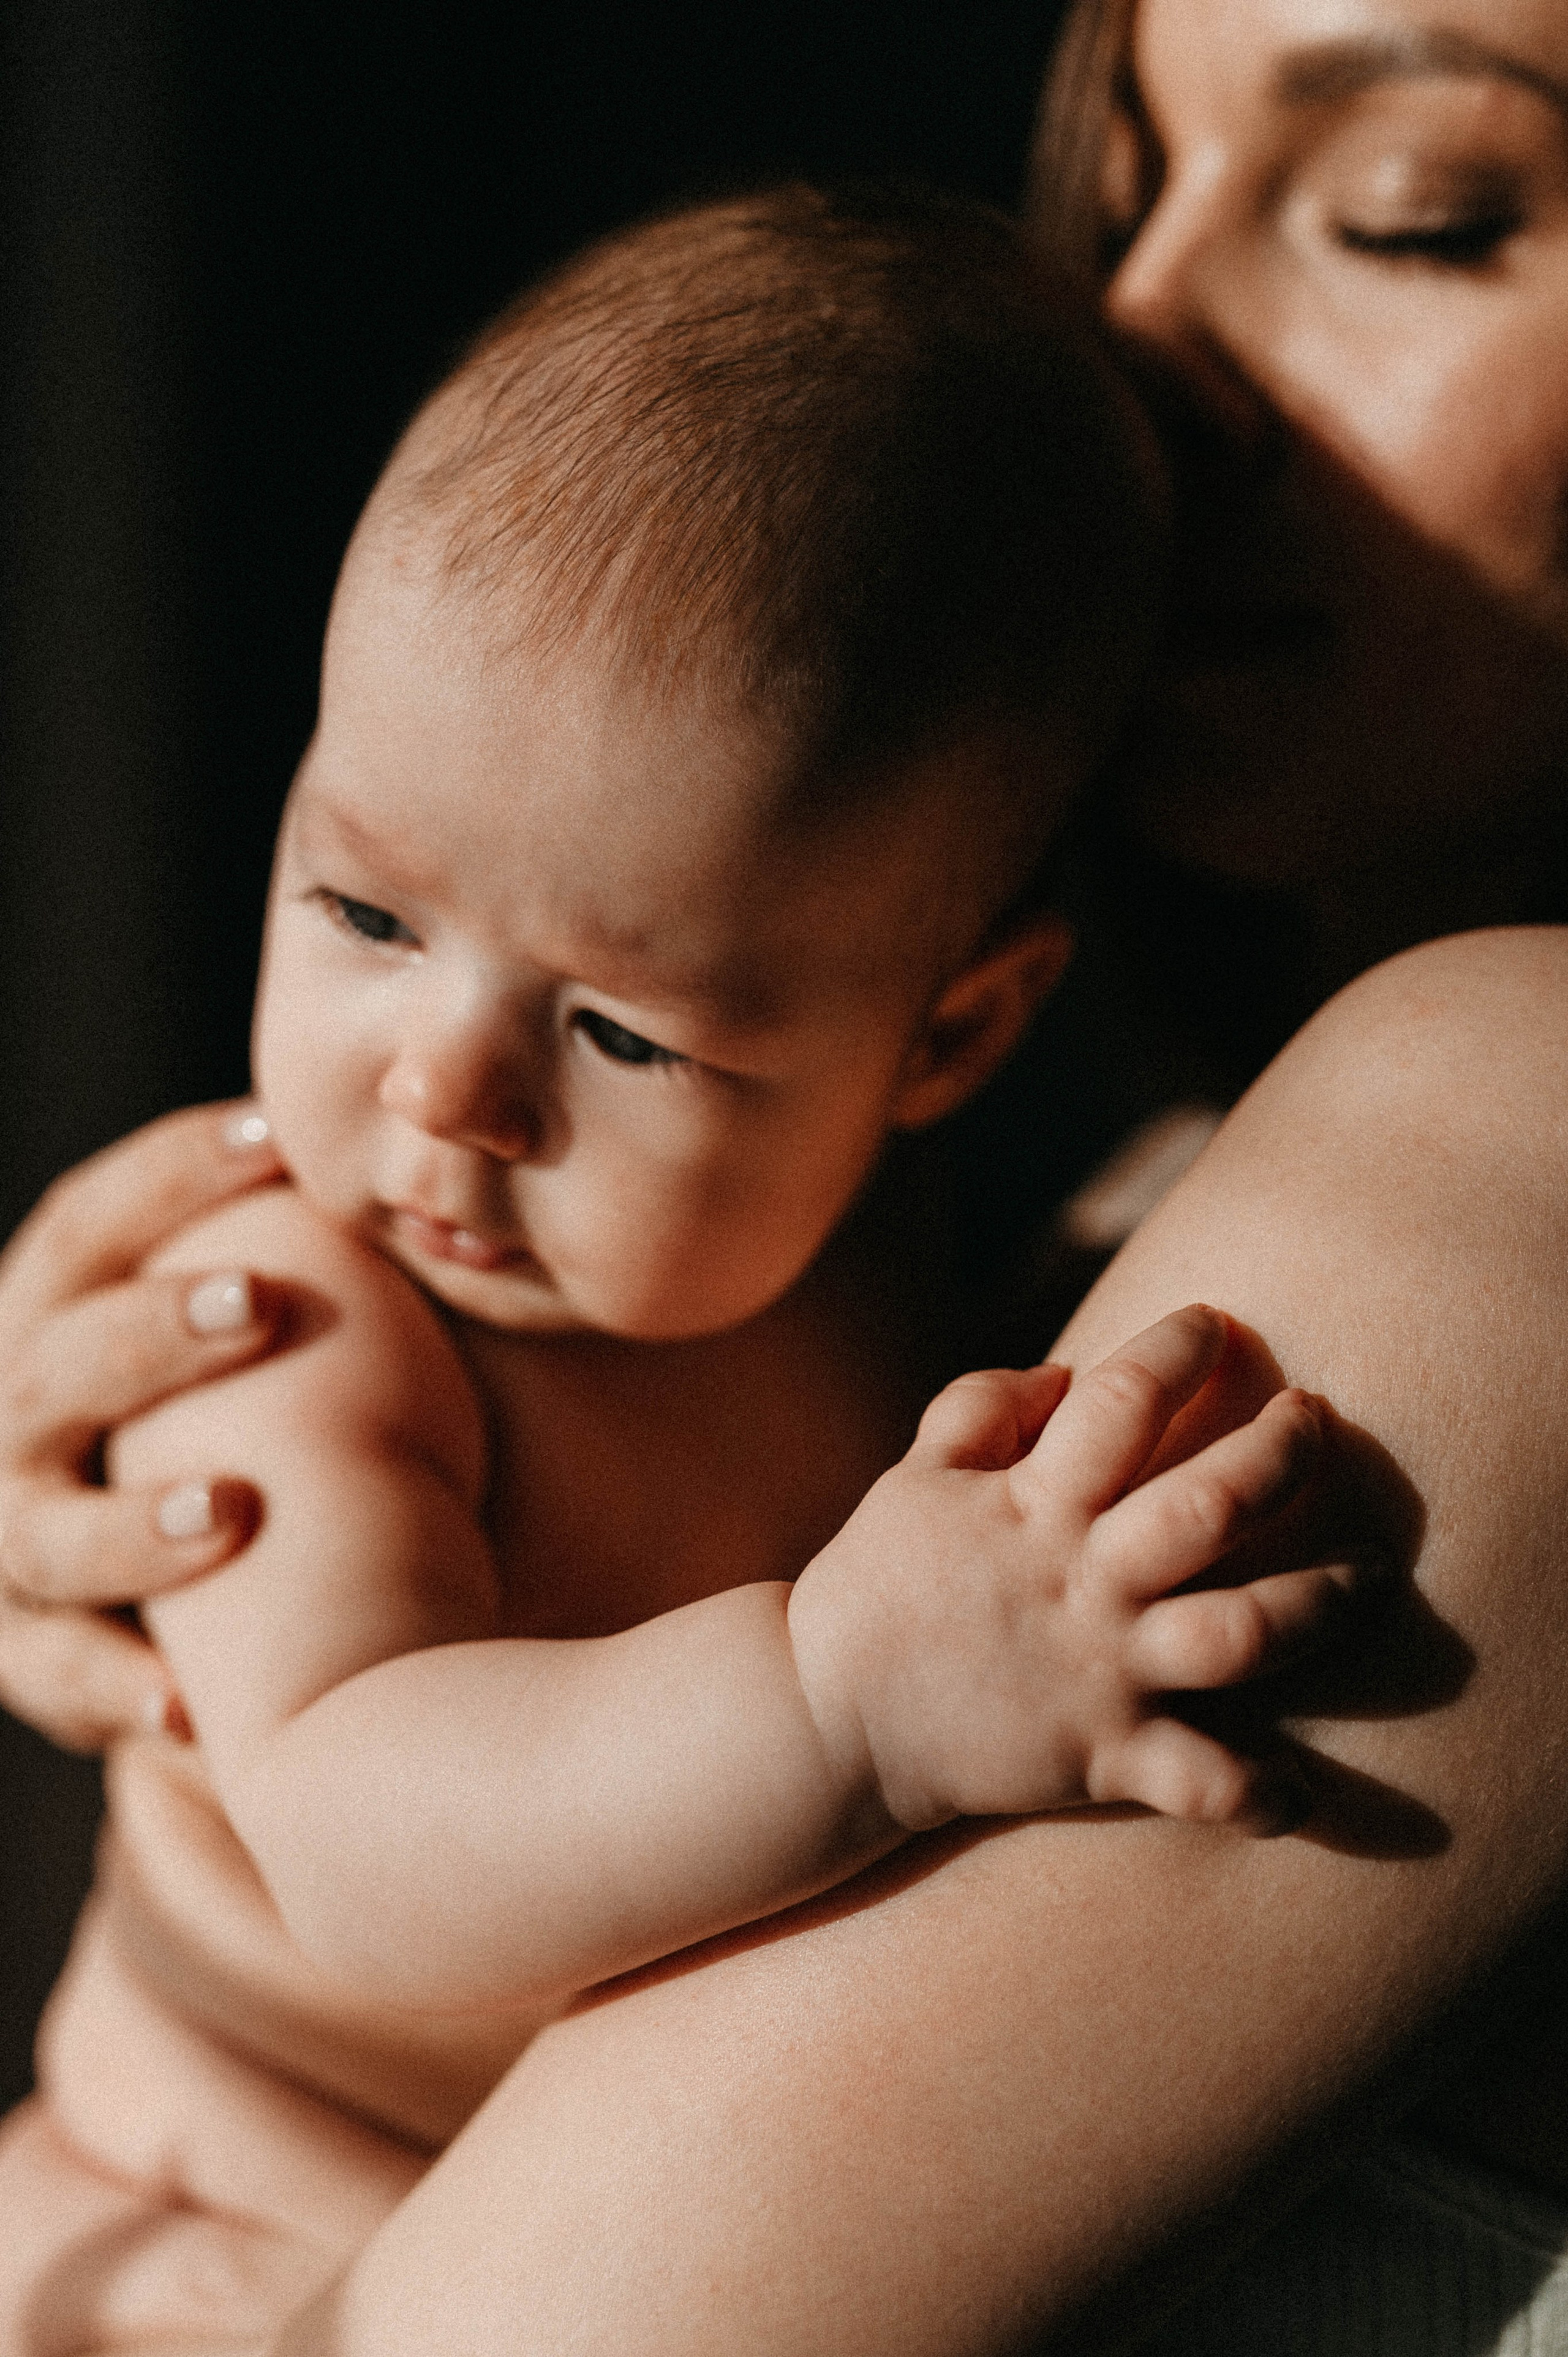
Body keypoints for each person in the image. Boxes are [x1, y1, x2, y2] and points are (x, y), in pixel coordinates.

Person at [4, 0, 1568, 2347]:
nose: (1139, 342)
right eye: (1124, 177)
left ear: (954, 1027)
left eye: (1407, 214)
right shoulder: (1045, 1235)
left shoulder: (1489, 1136)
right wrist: (837, 1699)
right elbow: (372, 1833)